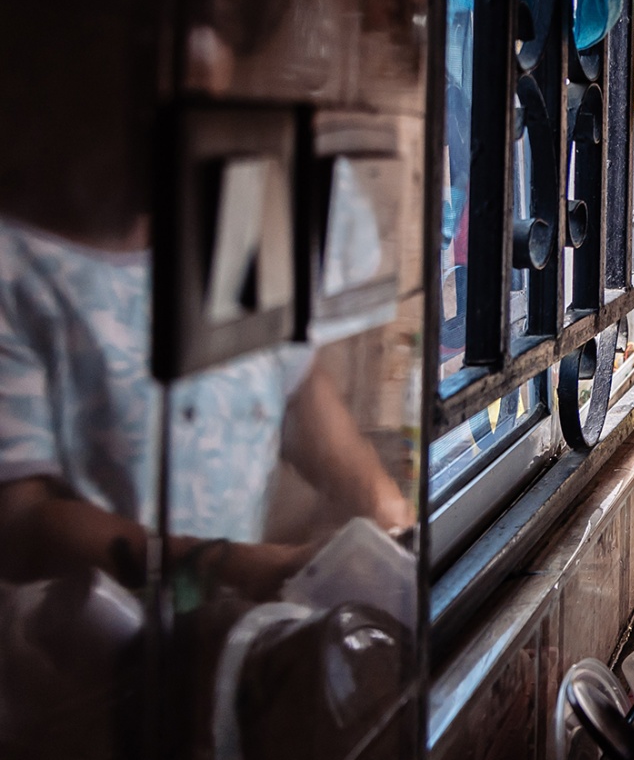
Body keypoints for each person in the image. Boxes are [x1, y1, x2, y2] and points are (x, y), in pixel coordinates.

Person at [0, 206, 414, 601]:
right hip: (82, 649)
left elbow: (296, 392)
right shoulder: (14, 263)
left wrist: (388, 518)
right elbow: (20, 521)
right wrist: (232, 567)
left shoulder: (237, 221)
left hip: (229, 627)